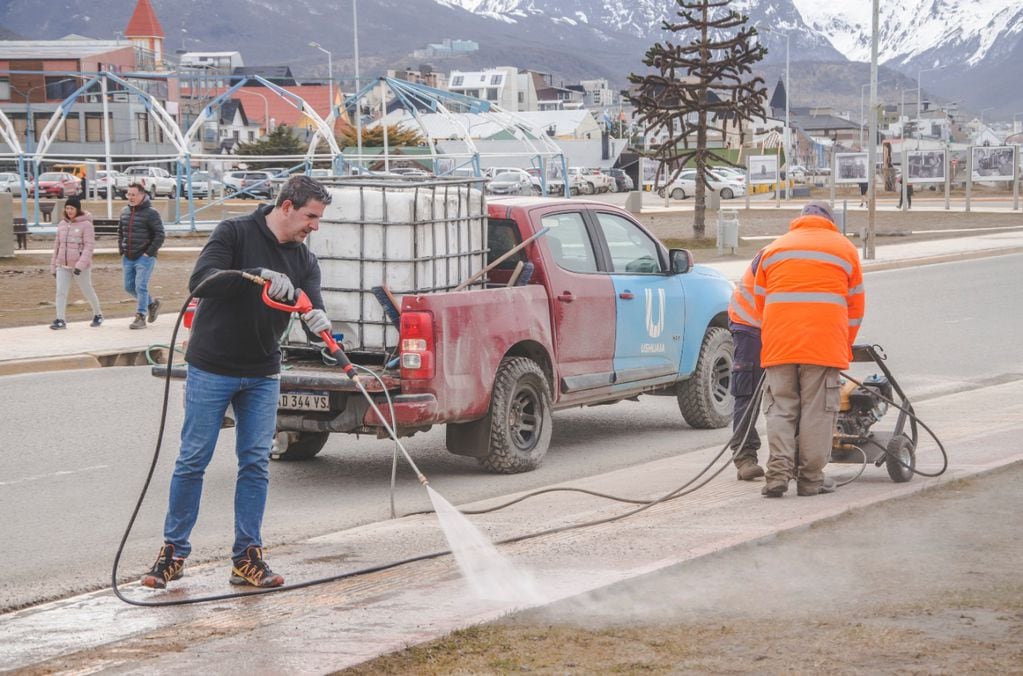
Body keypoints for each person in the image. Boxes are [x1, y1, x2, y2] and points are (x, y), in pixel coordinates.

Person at [141, 175, 333, 590]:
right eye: (310, 216)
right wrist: (254, 274)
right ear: (286, 206)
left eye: (318, 219)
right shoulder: (234, 232)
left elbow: (310, 301)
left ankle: (247, 557)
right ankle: (173, 553)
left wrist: (318, 317)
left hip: (263, 372)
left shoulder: (304, 259)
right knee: (193, 460)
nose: (314, 226)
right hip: (212, 366)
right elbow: (202, 281)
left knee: (255, 463)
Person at [754, 201, 865, 498]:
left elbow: (759, 302)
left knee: (780, 408)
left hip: (779, 343)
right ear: (830, 220)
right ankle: (811, 479)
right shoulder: (844, 250)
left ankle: (777, 474)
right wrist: (843, 343)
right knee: (817, 412)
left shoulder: (774, 249)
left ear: (800, 220)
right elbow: (855, 309)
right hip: (823, 344)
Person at [728, 248, 765, 480]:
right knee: (747, 392)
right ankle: (744, 458)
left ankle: (792, 459)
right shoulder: (776, 255)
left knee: (791, 395)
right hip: (750, 326)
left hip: (782, 329)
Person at [49, 195, 103, 329]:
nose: (69, 210)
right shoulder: (62, 224)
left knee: (87, 290)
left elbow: (88, 247)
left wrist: (80, 265)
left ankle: (98, 314)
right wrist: (53, 266)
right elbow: (57, 246)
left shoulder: (86, 225)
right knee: (60, 292)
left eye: (71, 208)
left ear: (77, 209)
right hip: (63, 265)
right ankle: (60, 319)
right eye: (67, 208)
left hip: (80, 267)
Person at [118, 183, 164, 330]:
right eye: (128, 194)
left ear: (142, 195)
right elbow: (120, 232)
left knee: (140, 286)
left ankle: (140, 316)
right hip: (128, 256)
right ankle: (151, 303)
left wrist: (148, 252)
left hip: (144, 257)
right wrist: (121, 248)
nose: (130, 197)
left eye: (133, 194)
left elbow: (160, 234)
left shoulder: (151, 213)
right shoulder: (125, 211)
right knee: (129, 286)